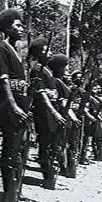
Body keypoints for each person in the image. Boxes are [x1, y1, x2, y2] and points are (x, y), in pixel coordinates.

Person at [0, 9, 32, 202]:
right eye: (17, 25)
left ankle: (17, 189)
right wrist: (13, 105)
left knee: (21, 146)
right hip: (8, 103)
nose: (21, 28)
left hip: (20, 100)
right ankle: (9, 195)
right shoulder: (1, 48)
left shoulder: (16, 50)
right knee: (11, 146)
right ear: (7, 28)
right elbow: (4, 80)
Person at [28, 39, 66, 190]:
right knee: (46, 143)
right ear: (39, 53)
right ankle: (47, 177)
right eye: (46, 50)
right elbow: (42, 94)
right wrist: (54, 112)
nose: (50, 53)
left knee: (53, 143)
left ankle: (51, 175)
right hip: (44, 110)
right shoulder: (36, 69)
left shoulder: (46, 70)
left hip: (52, 108)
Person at [47, 54, 81, 178]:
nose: (67, 70)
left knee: (66, 144)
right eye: (65, 67)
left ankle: (66, 168)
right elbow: (62, 101)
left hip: (67, 115)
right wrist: (73, 116)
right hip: (62, 116)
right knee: (58, 144)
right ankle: (58, 170)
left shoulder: (62, 82)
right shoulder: (56, 81)